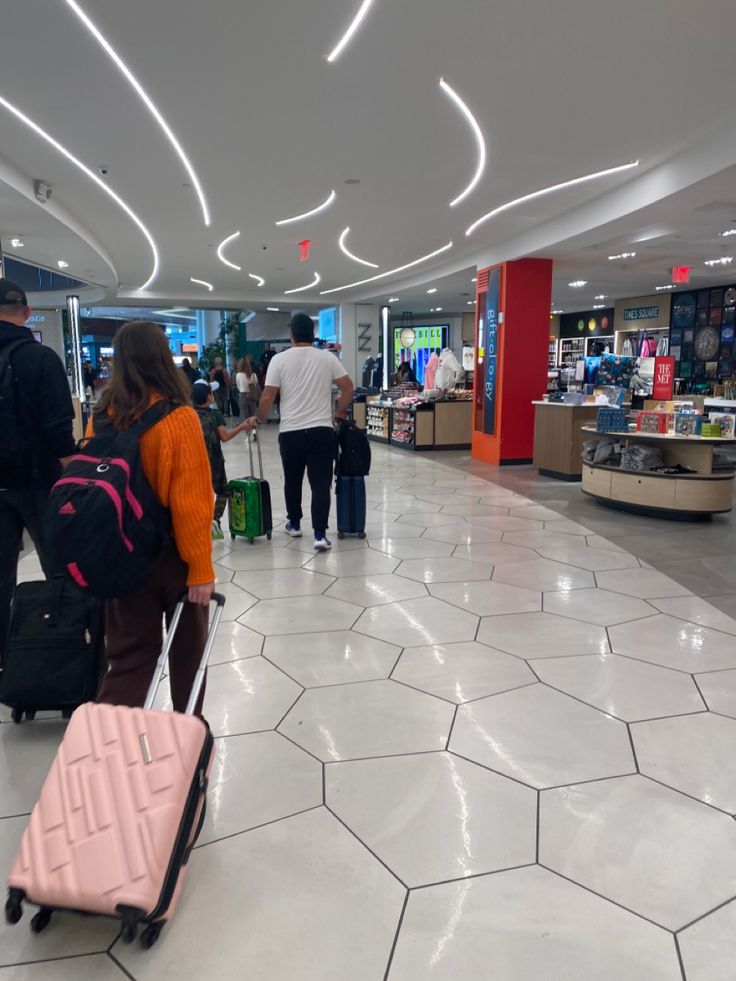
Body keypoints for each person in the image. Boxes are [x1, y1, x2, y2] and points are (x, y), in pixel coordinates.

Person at [90, 320, 216, 713]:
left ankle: (108, 751)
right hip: (172, 559)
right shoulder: (179, 419)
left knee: (128, 661)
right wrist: (200, 570)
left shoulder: (103, 417)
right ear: (163, 359)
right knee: (187, 661)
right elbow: (192, 503)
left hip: (119, 556)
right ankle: (186, 744)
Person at [0, 279, 76, 650]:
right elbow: (58, 430)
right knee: (60, 569)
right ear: (27, 313)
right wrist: (75, 477)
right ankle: (65, 652)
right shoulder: (42, 359)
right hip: (40, 483)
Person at [252, 314, 354, 551]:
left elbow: (268, 395)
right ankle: (320, 534)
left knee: (293, 479)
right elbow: (348, 388)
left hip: (291, 432)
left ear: (292, 335)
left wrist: (261, 418)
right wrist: (339, 413)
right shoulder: (327, 358)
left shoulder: (279, 360)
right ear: (313, 334)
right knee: (321, 483)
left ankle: (295, 523)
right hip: (322, 430)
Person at [192, 381, 253, 540]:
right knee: (223, 491)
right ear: (209, 397)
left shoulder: (188, 415)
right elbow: (224, 437)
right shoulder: (215, 415)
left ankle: (197, 525)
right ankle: (214, 520)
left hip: (192, 463)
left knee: (196, 494)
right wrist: (241, 427)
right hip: (214, 462)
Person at [235, 357, 260, 421]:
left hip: (243, 396)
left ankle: (247, 430)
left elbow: (238, 387)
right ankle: (253, 430)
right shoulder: (254, 375)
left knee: (245, 418)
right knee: (252, 416)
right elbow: (256, 384)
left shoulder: (238, 375)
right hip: (253, 396)